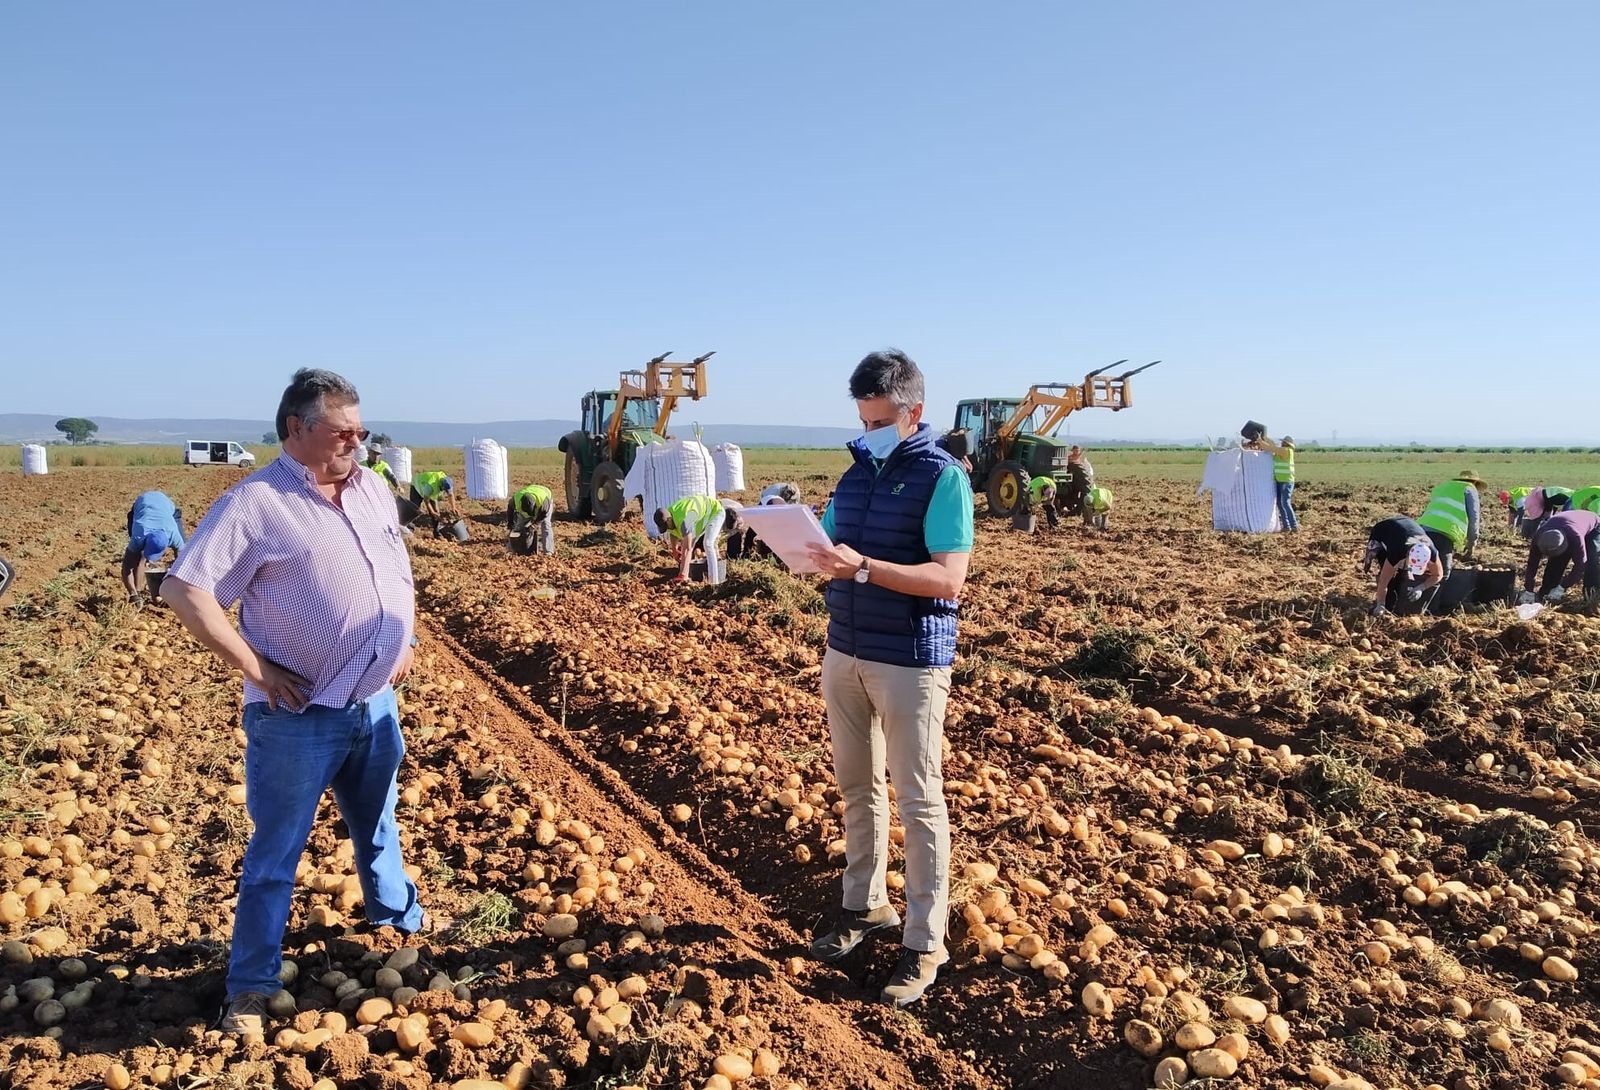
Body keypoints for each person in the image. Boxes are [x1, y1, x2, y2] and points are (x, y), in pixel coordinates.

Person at [160, 369, 426, 1037]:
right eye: (341, 433)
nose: (355, 445)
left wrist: (406, 636)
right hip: (297, 719)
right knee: (276, 854)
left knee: (379, 826)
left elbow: (392, 570)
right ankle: (249, 987)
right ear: (295, 430)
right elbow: (186, 589)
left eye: (361, 432)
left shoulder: (371, 490)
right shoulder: (255, 503)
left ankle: (396, 924)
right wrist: (256, 668)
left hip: (373, 704)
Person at [802, 349, 973, 1008]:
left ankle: (925, 941)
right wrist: (808, 551)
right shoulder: (854, 476)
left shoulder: (942, 478)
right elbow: (835, 549)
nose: (868, 428)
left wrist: (864, 568)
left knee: (919, 800)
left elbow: (948, 579)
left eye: (879, 418)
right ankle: (864, 906)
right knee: (856, 787)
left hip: (908, 659)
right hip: (844, 649)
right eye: (862, 417)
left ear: (913, 413)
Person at [1364, 516, 1445, 617]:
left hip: (1408, 526)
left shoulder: (1431, 553)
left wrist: (1421, 587)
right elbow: (1383, 579)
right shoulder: (1397, 552)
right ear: (1407, 555)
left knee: (1402, 573)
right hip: (1383, 531)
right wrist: (1380, 604)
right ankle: (1383, 601)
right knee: (1387, 572)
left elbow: (1438, 574)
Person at [1520, 509, 1600, 605]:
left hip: (1593, 526)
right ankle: (1546, 592)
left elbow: (1581, 565)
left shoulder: (1575, 537)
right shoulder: (1538, 537)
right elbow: (1532, 564)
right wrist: (1528, 589)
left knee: (1591, 560)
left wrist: (1563, 586)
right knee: (1556, 561)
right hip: (1566, 524)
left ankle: (1591, 594)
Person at [1416, 471, 1486, 574]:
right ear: (1475, 482)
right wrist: (1471, 544)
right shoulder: (1469, 488)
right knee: (1442, 573)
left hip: (1423, 529)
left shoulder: (1442, 487)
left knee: (1422, 570)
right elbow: (1474, 518)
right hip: (1445, 532)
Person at [121, 491, 186, 598]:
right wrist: (133, 595)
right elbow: (127, 568)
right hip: (142, 504)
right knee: (138, 557)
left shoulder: (174, 536)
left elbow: (183, 562)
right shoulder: (138, 536)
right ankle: (138, 592)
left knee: (182, 556)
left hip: (166, 505)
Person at [653, 495, 726, 584]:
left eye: (666, 526)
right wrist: (674, 549)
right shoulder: (668, 516)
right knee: (689, 545)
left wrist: (682, 574)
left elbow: (687, 549)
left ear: (669, 520)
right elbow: (672, 532)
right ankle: (685, 575)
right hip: (701, 516)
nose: (666, 528)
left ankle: (714, 582)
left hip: (715, 511)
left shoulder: (684, 520)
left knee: (708, 544)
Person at [506, 483, 555, 555]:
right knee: (519, 526)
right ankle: (513, 550)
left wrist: (534, 524)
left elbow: (543, 515)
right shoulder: (516, 499)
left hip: (545, 494)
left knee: (546, 525)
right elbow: (510, 509)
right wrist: (510, 523)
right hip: (532, 490)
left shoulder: (543, 503)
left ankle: (548, 552)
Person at [408, 470, 461, 534]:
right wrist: (432, 512)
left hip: (428, 489)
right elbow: (426, 500)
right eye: (445, 490)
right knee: (414, 509)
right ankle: (409, 528)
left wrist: (453, 507)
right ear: (441, 487)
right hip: (417, 486)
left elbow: (450, 494)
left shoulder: (446, 481)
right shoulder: (431, 486)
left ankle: (436, 532)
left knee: (436, 511)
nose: (446, 492)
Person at [1062, 446, 1094, 516]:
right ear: (1072, 451)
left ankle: (1080, 509)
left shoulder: (1081, 459)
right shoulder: (1070, 457)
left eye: (1077, 451)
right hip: (1072, 472)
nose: (1076, 452)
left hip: (1078, 476)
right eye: (1075, 451)